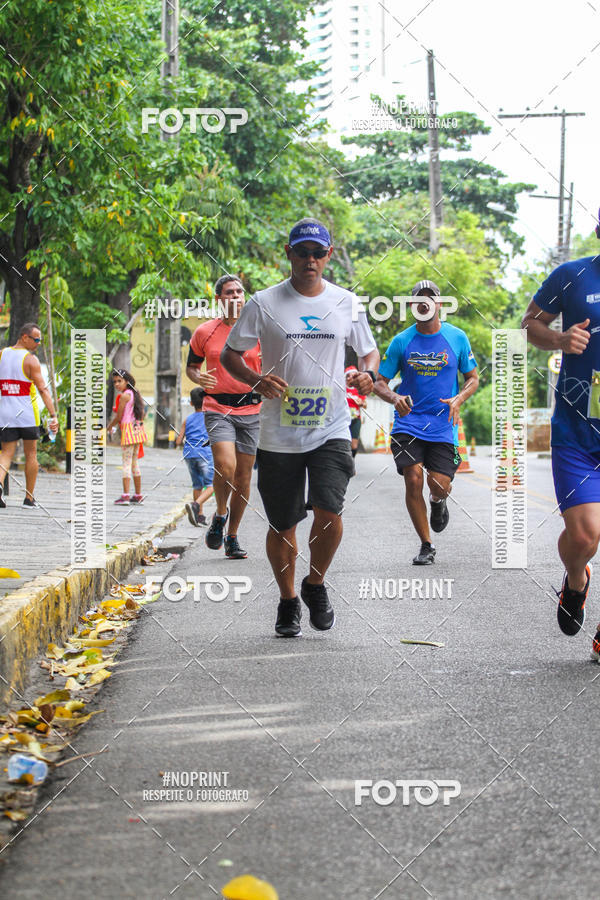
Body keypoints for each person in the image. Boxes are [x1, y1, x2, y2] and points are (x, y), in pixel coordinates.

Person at [221, 217, 379, 637]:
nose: (310, 260)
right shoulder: (263, 302)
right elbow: (230, 355)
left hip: (331, 427)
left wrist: (367, 375)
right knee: (283, 524)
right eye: (302, 252)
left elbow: (369, 353)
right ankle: (288, 599)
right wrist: (256, 381)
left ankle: (316, 583)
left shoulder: (347, 302)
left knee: (330, 512)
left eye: (318, 253)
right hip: (278, 432)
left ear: (328, 256)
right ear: (289, 253)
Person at [521, 217, 600, 659]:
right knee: (586, 535)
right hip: (577, 428)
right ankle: (576, 580)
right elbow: (528, 324)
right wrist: (558, 338)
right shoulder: (572, 276)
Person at [374, 280, 478, 565]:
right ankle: (426, 544)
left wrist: (459, 398)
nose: (424, 303)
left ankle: (438, 501)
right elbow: (379, 383)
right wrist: (395, 398)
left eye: (430, 299)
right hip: (408, 423)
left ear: (439, 304)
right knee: (413, 478)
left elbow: (473, 378)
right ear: (412, 306)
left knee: (438, 484)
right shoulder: (401, 341)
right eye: (418, 299)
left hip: (443, 424)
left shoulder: (457, 338)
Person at [186, 275, 261, 560]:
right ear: (219, 299)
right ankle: (220, 513)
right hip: (218, 408)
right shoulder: (205, 331)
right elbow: (192, 366)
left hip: (253, 410)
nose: (236, 296)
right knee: (224, 466)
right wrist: (198, 376)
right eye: (230, 292)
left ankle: (232, 536)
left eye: (240, 291)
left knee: (243, 478)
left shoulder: (259, 332)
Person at [0, 322, 58, 508]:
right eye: (36, 339)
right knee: (31, 453)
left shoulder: (2, 354)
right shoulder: (30, 360)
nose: (39, 343)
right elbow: (43, 389)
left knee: (6, 453)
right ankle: (29, 498)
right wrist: (53, 414)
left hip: (5, 413)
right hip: (26, 414)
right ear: (24, 337)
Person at [106, 369, 147, 505]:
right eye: (115, 382)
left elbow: (118, 416)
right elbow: (142, 413)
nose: (117, 384)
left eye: (119, 381)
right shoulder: (135, 394)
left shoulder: (124, 396)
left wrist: (109, 426)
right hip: (138, 429)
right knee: (134, 462)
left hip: (128, 430)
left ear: (127, 381)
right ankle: (138, 495)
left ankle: (125, 496)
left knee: (126, 463)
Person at [176, 387, 215, 526]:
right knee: (211, 486)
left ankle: (200, 516)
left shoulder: (187, 419)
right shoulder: (209, 417)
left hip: (189, 454)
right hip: (205, 454)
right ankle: (196, 505)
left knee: (197, 485)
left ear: (191, 403)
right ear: (206, 401)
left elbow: (178, 441)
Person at [345, 364, 367, 474]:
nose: (350, 378)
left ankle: (351, 462)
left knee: (354, 444)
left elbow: (365, 404)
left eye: (353, 376)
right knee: (344, 443)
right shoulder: (341, 389)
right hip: (343, 420)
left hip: (355, 419)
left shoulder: (358, 389)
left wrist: (361, 402)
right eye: (347, 376)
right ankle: (345, 465)